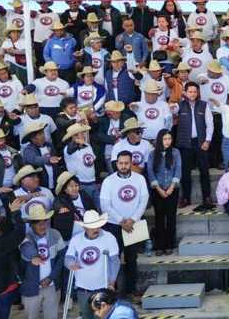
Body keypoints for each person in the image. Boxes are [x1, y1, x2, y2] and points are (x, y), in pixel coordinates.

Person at [100, 151, 148, 298]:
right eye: (120, 163)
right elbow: (105, 205)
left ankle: (131, 290)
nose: (123, 166)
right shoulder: (108, 181)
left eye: (126, 163)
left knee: (132, 258)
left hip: (135, 224)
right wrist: (121, 220)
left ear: (131, 163)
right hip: (113, 225)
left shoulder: (140, 179)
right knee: (113, 258)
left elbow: (144, 200)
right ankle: (111, 292)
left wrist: (133, 219)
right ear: (116, 164)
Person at [64, 210, 120, 319]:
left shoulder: (109, 238)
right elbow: (68, 257)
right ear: (85, 228)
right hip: (83, 288)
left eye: (97, 226)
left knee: (101, 316)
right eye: (92, 227)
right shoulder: (76, 239)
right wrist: (71, 264)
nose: (96, 229)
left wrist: (112, 281)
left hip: (102, 287)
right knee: (86, 316)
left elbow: (115, 261)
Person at [19, 204, 65, 319]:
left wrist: (51, 278)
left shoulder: (55, 234)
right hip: (31, 288)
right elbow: (26, 248)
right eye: (38, 222)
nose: (42, 225)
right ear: (31, 224)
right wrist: (34, 256)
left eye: (45, 221)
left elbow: (61, 258)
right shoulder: (25, 237)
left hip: (52, 286)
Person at [174, 82, 214, 210]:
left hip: (201, 142)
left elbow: (210, 124)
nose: (192, 94)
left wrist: (207, 141)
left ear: (198, 93)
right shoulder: (179, 105)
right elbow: (170, 111)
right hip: (185, 143)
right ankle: (185, 198)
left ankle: (207, 197)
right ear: (185, 92)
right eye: (190, 91)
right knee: (185, 172)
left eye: (195, 91)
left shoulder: (204, 105)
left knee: (204, 171)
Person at [146, 130, 180, 256]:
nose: (167, 141)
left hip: (172, 190)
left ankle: (169, 244)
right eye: (165, 139)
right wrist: (159, 189)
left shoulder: (176, 152)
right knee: (159, 218)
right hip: (157, 190)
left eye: (169, 139)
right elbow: (150, 172)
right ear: (160, 140)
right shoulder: (152, 154)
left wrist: (171, 187)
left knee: (171, 218)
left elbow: (178, 170)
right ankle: (159, 246)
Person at [52, 171, 97, 242]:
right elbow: (56, 204)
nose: (74, 188)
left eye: (76, 185)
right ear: (65, 190)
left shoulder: (83, 194)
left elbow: (92, 209)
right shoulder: (61, 199)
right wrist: (60, 208)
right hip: (72, 234)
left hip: (87, 230)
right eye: (71, 186)